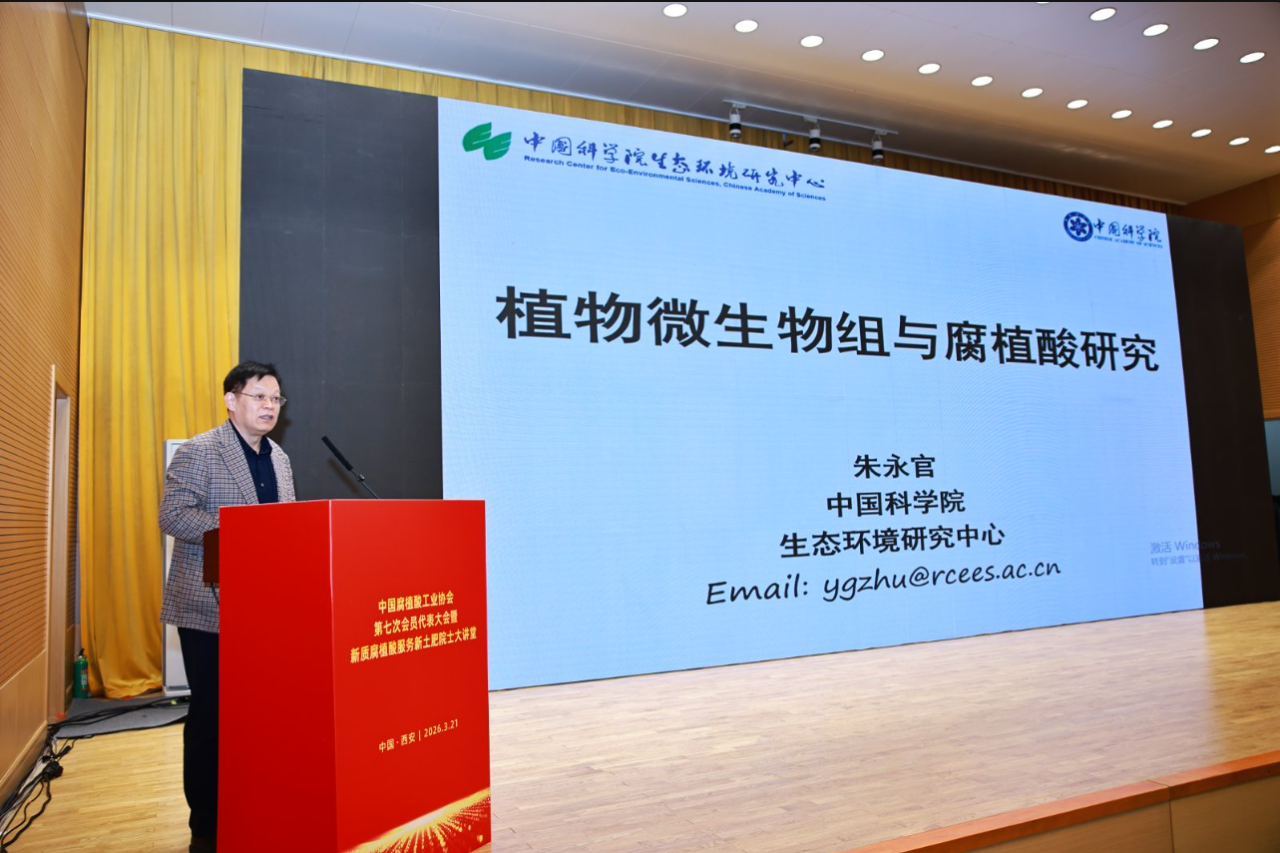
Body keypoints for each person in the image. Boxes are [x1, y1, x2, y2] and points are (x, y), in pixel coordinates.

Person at [159, 361, 296, 853]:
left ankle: (252, 805)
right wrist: (241, 530)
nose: (269, 406)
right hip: (208, 607)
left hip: (264, 609)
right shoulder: (201, 450)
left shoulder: (280, 459)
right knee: (211, 719)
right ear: (231, 400)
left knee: (259, 718)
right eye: (260, 396)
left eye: (276, 399)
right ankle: (207, 824)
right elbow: (173, 515)